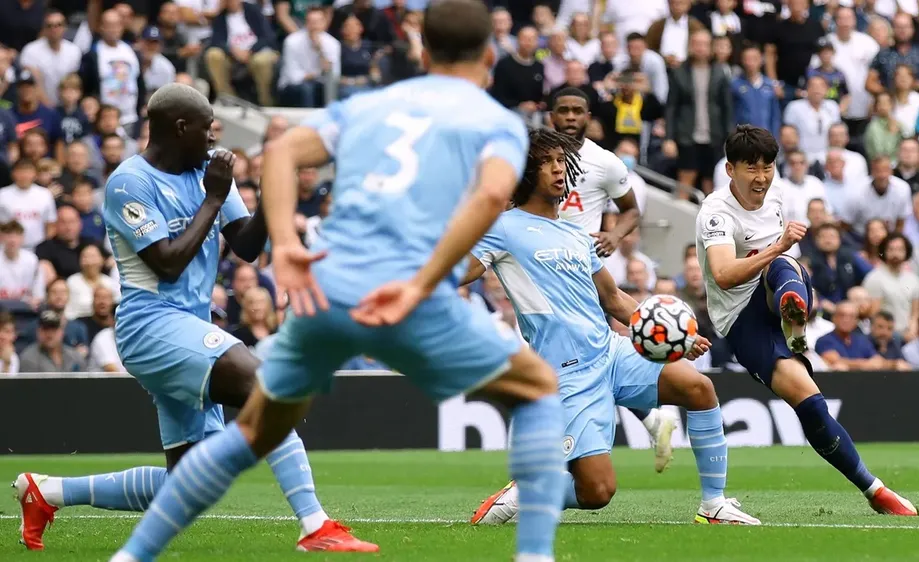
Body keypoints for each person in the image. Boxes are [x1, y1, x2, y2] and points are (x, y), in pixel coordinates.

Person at [109, 2, 567, 561]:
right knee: (539, 390)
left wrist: (290, 245)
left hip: (324, 290)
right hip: (402, 295)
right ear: (490, 57)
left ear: (422, 52)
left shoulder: (371, 103)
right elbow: (494, 196)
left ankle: (130, 557)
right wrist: (423, 283)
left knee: (252, 432)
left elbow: (281, 149)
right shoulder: (496, 121)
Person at [14, 84, 350, 553]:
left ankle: (47, 492)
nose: (214, 139)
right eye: (207, 129)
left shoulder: (209, 174)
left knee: (191, 477)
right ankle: (315, 524)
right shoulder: (129, 182)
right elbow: (167, 262)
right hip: (149, 325)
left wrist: (277, 191)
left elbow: (248, 248)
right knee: (266, 388)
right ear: (179, 128)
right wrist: (212, 199)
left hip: (190, 327)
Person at [466, 128, 759, 527]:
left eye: (561, 161)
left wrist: (673, 336)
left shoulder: (574, 231)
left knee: (699, 388)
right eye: (547, 161)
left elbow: (614, 299)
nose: (559, 169)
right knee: (597, 493)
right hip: (566, 372)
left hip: (612, 351)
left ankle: (714, 505)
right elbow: (455, 272)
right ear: (525, 171)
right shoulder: (501, 228)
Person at [696, 125, 918, 516]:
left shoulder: (776, 195)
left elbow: (777, 255)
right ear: (730, 170)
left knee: (784, 266)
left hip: (774, 290)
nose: (762, 177)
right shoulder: (715, 212)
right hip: (738, 318)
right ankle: (792, 317)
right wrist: (779, 245)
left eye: (768, 167)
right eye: (752, 168)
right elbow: (724, 274)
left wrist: (779, 253)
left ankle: (877, 492)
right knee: (811, 405)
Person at [547, 87, 674, 457]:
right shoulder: (533, 160)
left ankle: (563, 450)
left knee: (567, 362)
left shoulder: (605, 162)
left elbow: (631, 209)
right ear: (551, 115)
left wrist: (615, 234)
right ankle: (651, 419)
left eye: (578, 111)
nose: (571, 117)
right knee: (586, 361)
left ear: (590, 117)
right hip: (538, 267)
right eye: (564, 110)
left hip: (580, 275)